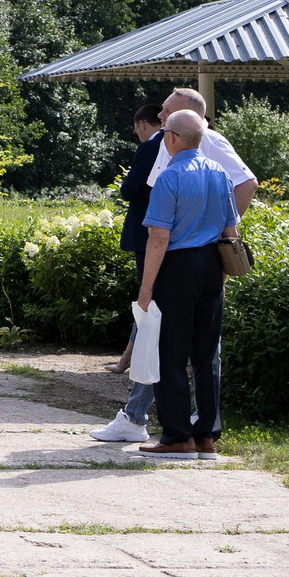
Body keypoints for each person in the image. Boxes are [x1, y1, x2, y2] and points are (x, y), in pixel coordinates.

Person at [134, 109, 237, 460]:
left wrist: (146, 288)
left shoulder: (169, 177)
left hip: (179, 267)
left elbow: (159, 237)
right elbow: (231, 232)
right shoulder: (220, 173)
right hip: (212, 265)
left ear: (173, 137)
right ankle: (206, 434)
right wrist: (220, 276)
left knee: (172, 353)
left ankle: (177, 435)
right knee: (205, 354)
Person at [93, 104, 168, 444]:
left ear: (142, 123)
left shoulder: (153, 145)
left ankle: (136, 413)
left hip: (153, 237)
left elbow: (130, 190)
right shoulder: (203, 157)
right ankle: (129, 359)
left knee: (149, 309)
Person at [149, 88, 257, 215]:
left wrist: (225, 230)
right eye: (163, 109)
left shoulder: (210, 140)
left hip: (199, 234)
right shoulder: (166, 139)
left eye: (168, 111)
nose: (160, 115)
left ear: (189, 116)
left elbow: (248, 183)